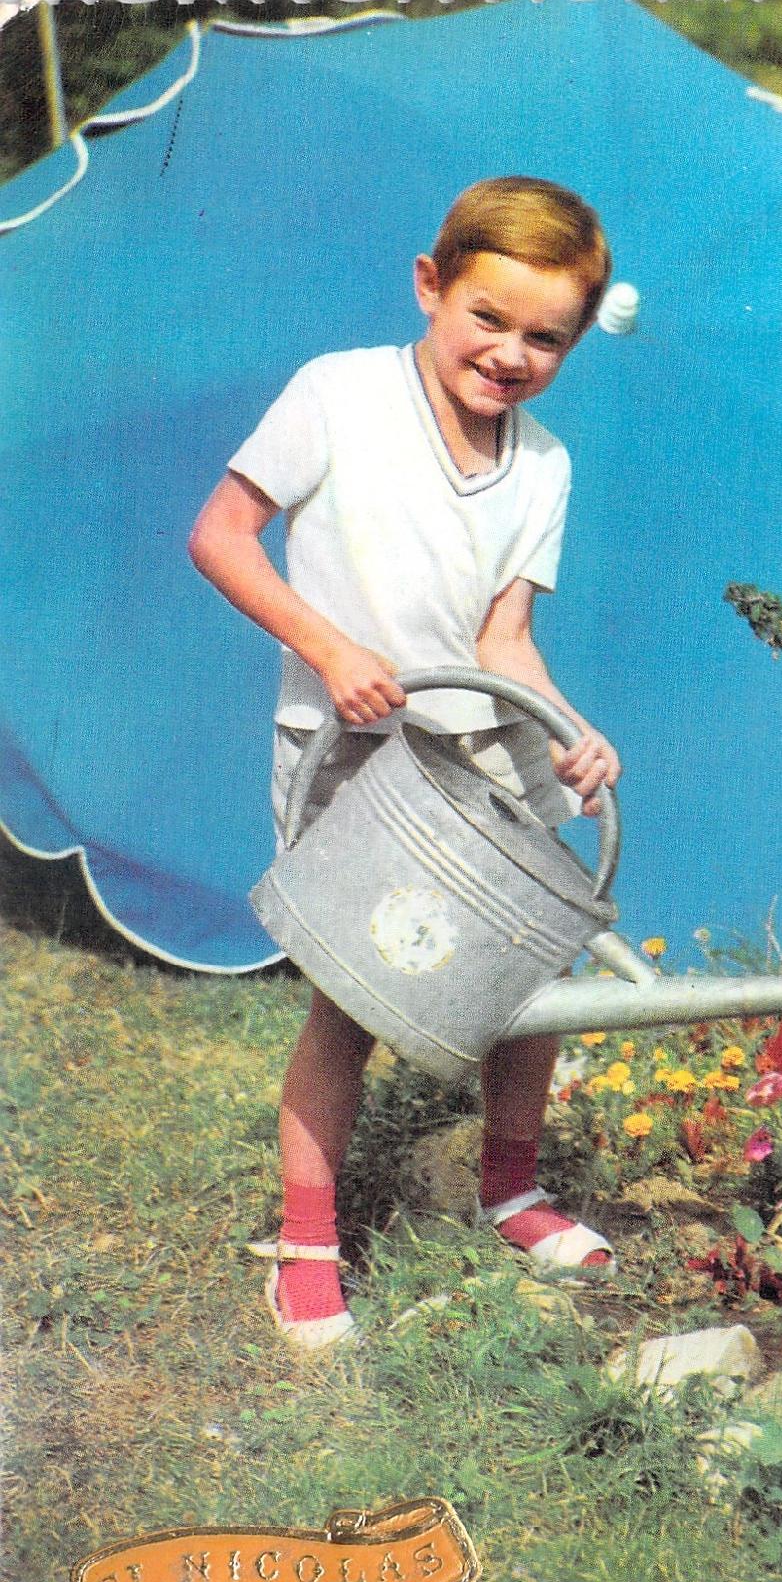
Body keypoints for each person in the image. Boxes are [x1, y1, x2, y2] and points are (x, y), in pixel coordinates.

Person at [189, 177, 620, 1348]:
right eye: (489, 317)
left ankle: (510, 1189)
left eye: (546, 337)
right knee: (356, 999)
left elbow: (504, 642)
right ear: (431, 286)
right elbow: (220, 535)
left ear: (575, 340)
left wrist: (573, 730)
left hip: (480, 737)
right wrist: (328, 646)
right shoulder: (338, 393)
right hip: (355, 748)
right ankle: (309, 1241)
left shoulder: (543, 465)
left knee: (537, 977)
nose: (511, 353)